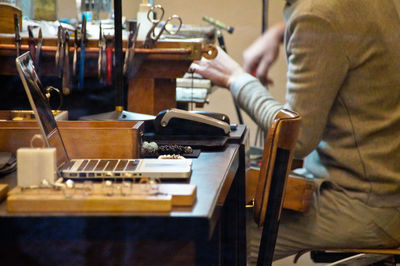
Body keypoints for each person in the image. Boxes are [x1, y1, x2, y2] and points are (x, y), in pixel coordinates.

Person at [190, 0, 400, 262]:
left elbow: (297, 137)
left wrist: (235, 78)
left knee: (219, 237)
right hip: (384, 193)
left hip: (366, 206)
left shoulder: (316, 15)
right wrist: (280, 30)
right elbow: (340, 22)